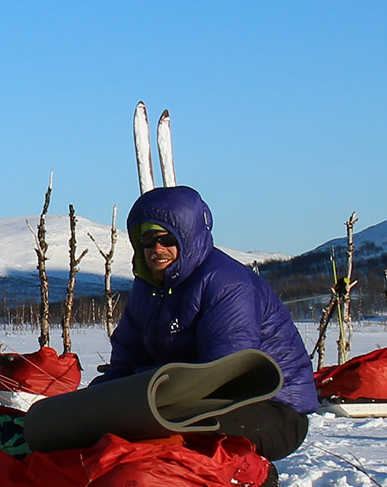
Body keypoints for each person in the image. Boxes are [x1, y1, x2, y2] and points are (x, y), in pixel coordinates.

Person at [93, 184, 316, 466]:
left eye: (166, 239)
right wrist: (96, 405)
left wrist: (145, 382)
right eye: (147, 239)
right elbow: (125, 361)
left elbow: (224, 371)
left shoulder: (227, 284)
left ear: (188, 237)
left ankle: (249, 479)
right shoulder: (146, 290)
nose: (156, 249)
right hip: (190, 400)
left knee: (168, 432)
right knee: (110, 428)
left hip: (271, 408)